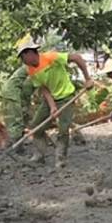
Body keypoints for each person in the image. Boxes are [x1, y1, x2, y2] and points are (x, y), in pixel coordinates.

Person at [16, 37, 94, 169]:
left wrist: (87, 78)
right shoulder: (31, 69)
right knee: (37, 125)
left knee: (63, 130)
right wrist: (52, 106)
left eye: (22, 56)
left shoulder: (51, 57)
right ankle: (39, 156)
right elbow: (44, 89)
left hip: (66, 97)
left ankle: (60, 160)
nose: (22, 60)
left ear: (30, 52)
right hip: (52, 98)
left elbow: (76, 58)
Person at [1, 65, 35, 153]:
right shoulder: (35, 70)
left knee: (18, 118)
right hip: (12, 92)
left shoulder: (34, 67)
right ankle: (16, 145)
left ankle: (14, 143)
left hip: (12, 91)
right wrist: (25, 107)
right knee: (17, 118)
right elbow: (26, 92)